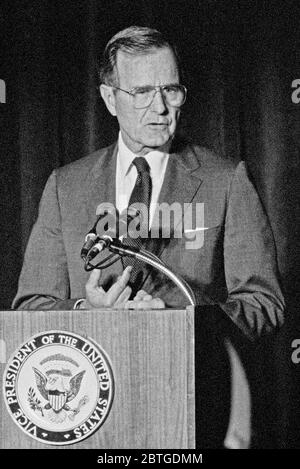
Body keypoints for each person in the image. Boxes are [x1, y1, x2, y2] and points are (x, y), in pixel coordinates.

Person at [12, 26, 285, 340]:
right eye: (141, 92)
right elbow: (31, 306)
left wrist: (179, 318)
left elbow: (264, 304)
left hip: (187, 380)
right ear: (110, 99)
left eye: (170, 89)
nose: (160, 108)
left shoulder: (225, 181)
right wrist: (85, 311)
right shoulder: (66, 187)